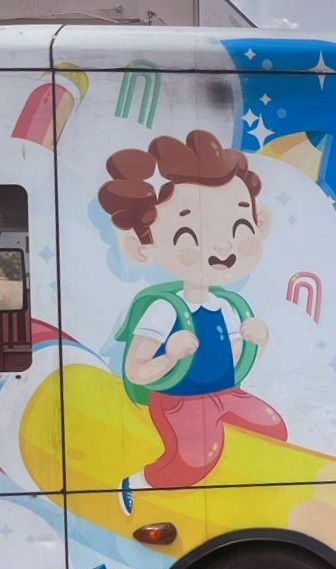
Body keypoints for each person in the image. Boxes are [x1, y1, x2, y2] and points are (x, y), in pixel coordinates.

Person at [100, 129, 286, 516]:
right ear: (142, 246)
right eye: (189, 233)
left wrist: (258, 341)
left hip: (224, 393)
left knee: (273, 429)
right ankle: (138, 481)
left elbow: (234, 359)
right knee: (194, 461)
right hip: (178, 400)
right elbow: (135, 371)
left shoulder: (227, 305)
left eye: (238, 227)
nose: (221, 246)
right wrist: (170, 356)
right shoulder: (165, 310)